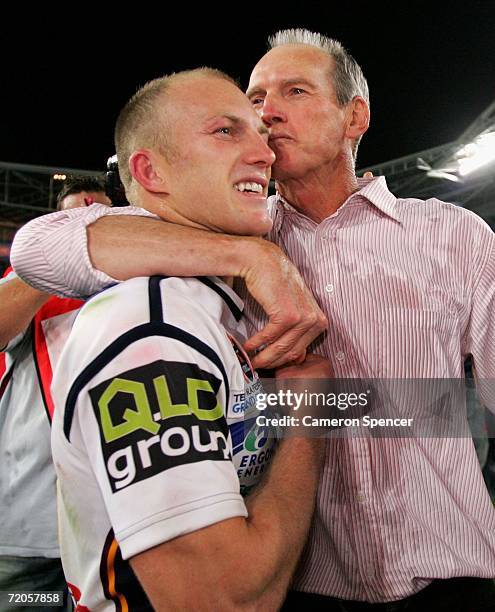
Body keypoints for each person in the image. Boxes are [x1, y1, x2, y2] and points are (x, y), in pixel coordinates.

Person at [11, 29, 495, 611]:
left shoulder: (453, 233)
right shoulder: (226, 229)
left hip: (453, 565)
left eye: (294, 91)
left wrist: (361, 406)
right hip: (302, 580)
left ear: (355, 116)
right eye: (255, 98)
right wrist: (253, 256)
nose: (268, 113)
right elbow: (38, 247)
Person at [17, 68, 330, 610]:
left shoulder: (215, 304)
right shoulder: (149, 329)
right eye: (226, 131)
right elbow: (223, 600)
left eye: (259, 133)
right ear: (150, 170)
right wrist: (308, 422)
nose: (266, 152)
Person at [0, 175, 110, 611]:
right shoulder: (26, 282)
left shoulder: (141, 286)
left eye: (97, 219)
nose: (83, 228)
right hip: (31, 535)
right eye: (70, 220)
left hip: (110, 535)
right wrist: (60, 257)